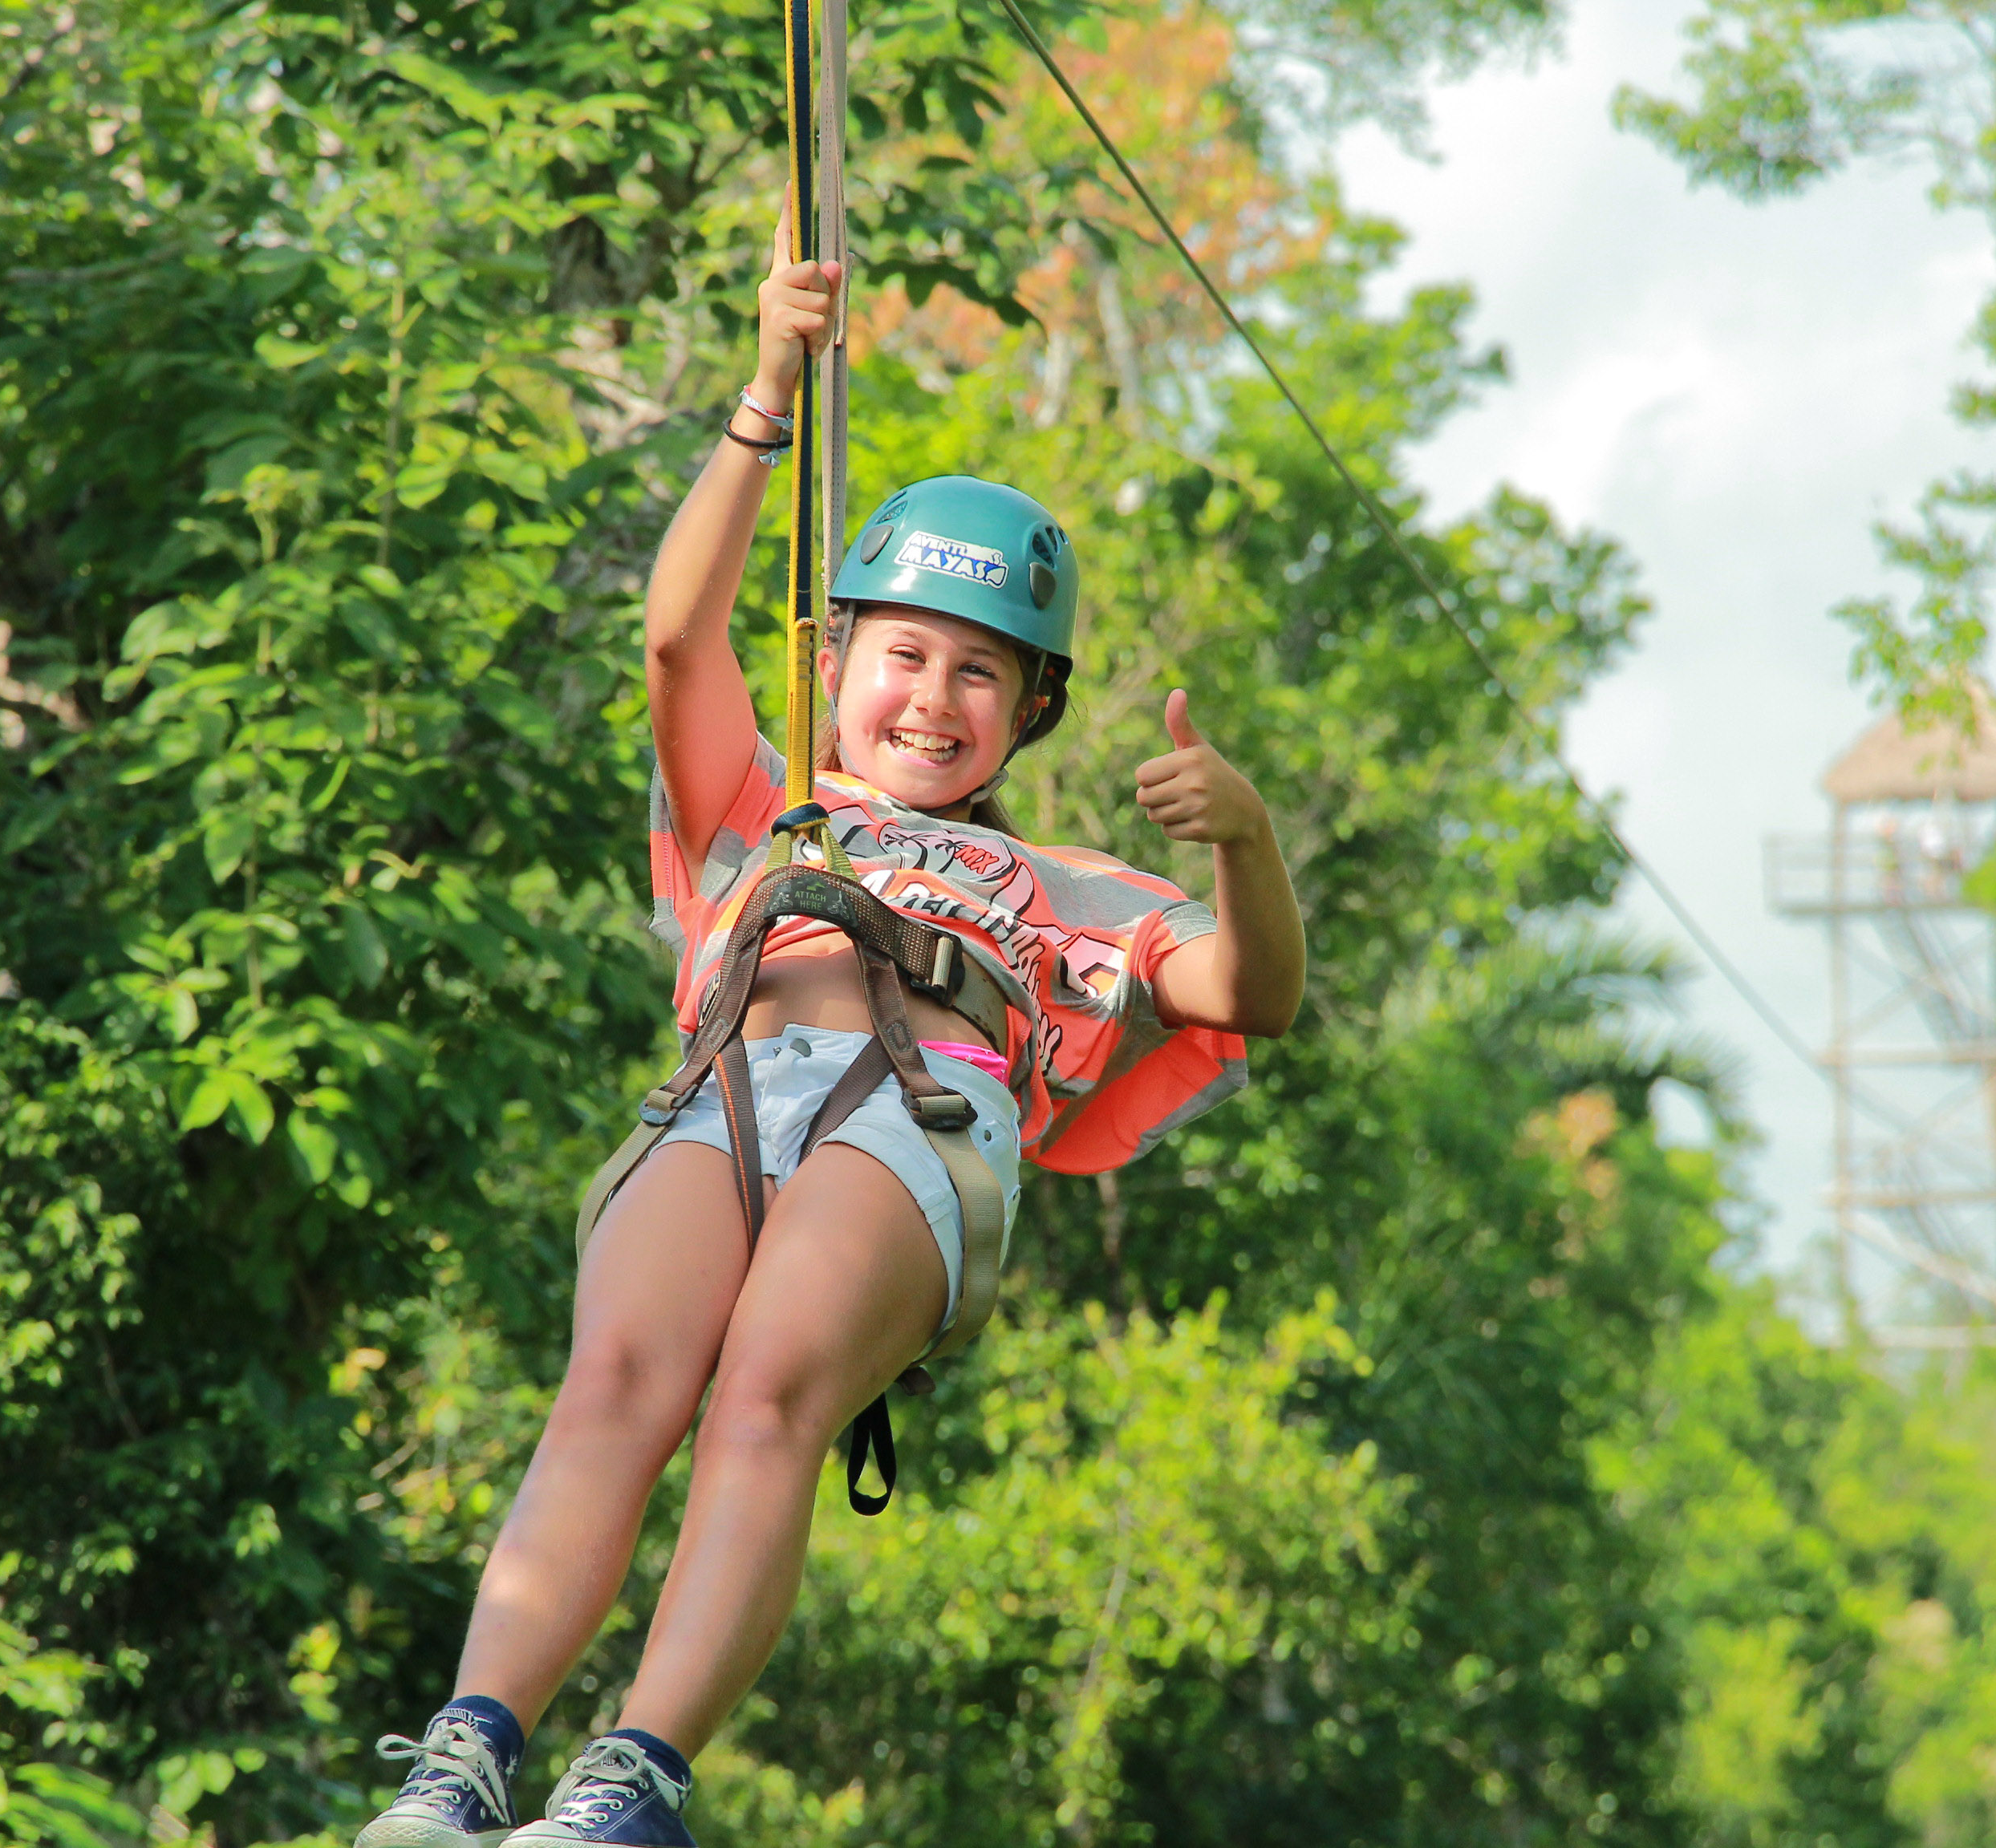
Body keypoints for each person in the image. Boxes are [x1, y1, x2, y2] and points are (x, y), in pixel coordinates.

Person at [355, 221, 1307, 1848]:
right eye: (906, 657)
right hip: (730, 1089)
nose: (934, 700)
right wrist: (764, 392)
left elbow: (1253, 996)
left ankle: (630, 1781)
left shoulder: (1072, 888)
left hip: (917, 1117)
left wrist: (1245, 838)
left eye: (981, 677)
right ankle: (462, 1766)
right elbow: (674, 634)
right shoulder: (758, 807)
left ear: (1034, 711)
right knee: (616, 1380)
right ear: (838, 659)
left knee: (769, 1386)